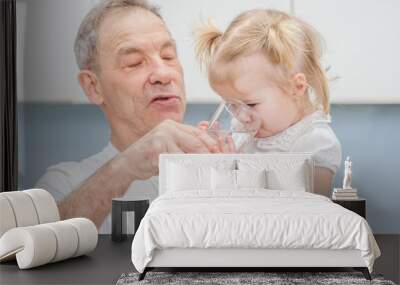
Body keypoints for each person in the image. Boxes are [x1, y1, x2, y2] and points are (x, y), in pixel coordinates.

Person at [35, 0, 227, 233]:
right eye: (134, 63)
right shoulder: (64, 182)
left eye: (168, 56)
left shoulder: (217, 166)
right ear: (93, 87)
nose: (164, 74)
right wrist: (127, 165)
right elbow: (35, 245)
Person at [195, 9, 342, 197]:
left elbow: (310, 211)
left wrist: (238, 174)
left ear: (296, 88)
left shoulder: (315, 143)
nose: (241, 116)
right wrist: (213, 160)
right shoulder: (242, 133)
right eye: (232, 105)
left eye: (251, 104)